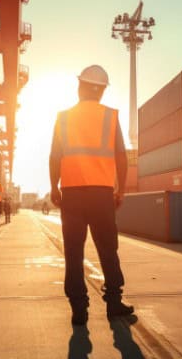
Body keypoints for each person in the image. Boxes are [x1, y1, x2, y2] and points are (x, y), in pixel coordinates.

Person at [49, 65, 134, 326]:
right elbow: (121, 155)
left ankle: (79, 309)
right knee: (108, 250)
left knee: (73, 252)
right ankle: (114, 304)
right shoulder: (110, 116)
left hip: (72, 195)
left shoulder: (63, 117)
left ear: (80, 87)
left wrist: (54, 187)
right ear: (101, 91)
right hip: (101, 195)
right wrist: (121, 189)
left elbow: (55, 156)